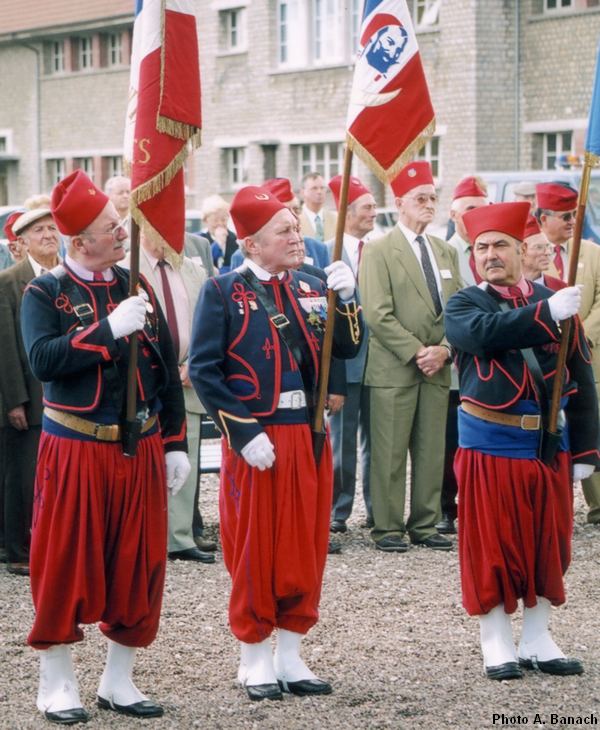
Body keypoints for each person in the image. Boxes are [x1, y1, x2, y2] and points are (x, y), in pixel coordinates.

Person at [20, 170, 189, 724]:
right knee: (66, 561)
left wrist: (174, 442)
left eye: (120, 225)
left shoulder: (133, 284)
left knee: (136, 564)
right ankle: (57, 682)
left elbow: (164, 369)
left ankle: (119, 681)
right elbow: (44, 360)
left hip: (137, 446)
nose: (122, 232)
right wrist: (106, 331)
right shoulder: (43, 292)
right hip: (76, 446)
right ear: (78, 242)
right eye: (110, 227)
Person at [189, 185, 362, 702]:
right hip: (257, 439)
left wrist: (348, 302)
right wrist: (241, 431)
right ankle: (254, 657)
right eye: (283, 231)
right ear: (250, 243)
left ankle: (290, 653)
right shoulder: (222, 291)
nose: (297, 237)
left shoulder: (312, 284)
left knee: (304, 545)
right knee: (255, 549)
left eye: (295, 227)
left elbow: (347, 347)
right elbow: (204, 369)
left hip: (307, 435)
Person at [445, 201, 599, 680]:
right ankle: (495, 639)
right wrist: (546, 312)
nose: (490, 255)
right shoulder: (464, 303)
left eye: (500, 246)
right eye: (481, 247)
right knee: (492, 545)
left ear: (522, 250)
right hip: (491, 444)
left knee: (547, 544)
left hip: (549, 444)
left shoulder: (557, 298)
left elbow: (580, 374)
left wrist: (588, 450)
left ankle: (537, 637)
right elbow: (484, 335)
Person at [359, 160, 462, 553]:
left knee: (432, 448)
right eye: (420, 198)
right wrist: (419, 352)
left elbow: (458, 310)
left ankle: (425, 522)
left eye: (433, 197)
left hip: (437, 368)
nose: (429, 204)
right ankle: (387, 527)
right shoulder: (380, 250)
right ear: (399, 202)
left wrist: (446, 351)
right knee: (389, 453)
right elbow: (377, 313)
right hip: (395, 369)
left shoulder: (444, 251)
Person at [126, 233, 216, 563]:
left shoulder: (194, 271)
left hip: (187, 378)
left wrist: (197, 363)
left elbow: (209, 322)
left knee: (185, 453)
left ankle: (178, 537)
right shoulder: (128, 268)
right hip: (143, 380)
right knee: (141, 461)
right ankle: (146, 538)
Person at [0, 208, 60, 576]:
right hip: (28, 398)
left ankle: (48, 541)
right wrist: (15, 400)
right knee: (22, 477)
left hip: (63, 398)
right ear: (21, 242)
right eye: (39, 230)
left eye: (53, 229)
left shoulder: (66, 278)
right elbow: (5, 346)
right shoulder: (9, 282)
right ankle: (18, 550)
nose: (49, 235)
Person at [537, 181, 600, 525]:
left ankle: (598, 504)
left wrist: (581, 334)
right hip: (546, 364)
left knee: (591, 421)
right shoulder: (530, 252)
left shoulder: (591, 252)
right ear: (543, 218)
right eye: (564, 216)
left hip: (588, 354)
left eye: (575, 215)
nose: (572, 222)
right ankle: (552, 500)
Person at [438, 176, 488, 534]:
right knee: (447, 440)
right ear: (454, 213)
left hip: (486, 366)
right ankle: (445, 507)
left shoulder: (490, 250)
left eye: (482, 209)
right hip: (451, 364)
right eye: (470, 209)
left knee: (479, 438)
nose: (476, 216)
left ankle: (477, 504)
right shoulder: (443, 252)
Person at [326, 173, 376, 533]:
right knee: (341, 442)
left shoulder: (383, 249)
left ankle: (379, 511)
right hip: (347, 363)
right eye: (367, 207)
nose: (374, 213)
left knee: (379, 442)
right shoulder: (326, 250)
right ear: (346, 211)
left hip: (384, 362)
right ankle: (337, 511)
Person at [230, 178, 330, 269]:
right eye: (286, 211)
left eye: (296, 209)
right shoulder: (241, 256)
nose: (294, 217)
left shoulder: (318, 248)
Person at [521, 215, 564, 290]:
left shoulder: (561, 289)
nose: (548, 252)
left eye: (548, 246)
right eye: (539, 247)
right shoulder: (502, 291)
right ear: (521, 251)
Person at [200, 194, 239, 273]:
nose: (220, 223)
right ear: (205, 220)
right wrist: (217, 244)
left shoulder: (236, 239)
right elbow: (203, 265)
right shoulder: (200, 240)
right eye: (215, 220)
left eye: (223, 219)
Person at [299, 172, 337, 242]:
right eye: (314, 188)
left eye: (322, 188)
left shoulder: (336, 219)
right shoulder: (296, 220)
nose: (319, 192)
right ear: (302, 192)